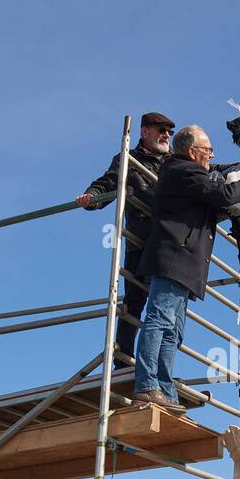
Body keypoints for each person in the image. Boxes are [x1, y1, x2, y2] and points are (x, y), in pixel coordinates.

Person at [132, 125, 240, 409]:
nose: (211, 156)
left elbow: (215, 194)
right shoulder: (183, 170)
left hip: (183, 262)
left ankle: (163, 387)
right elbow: (221, 194)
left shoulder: (186, 173)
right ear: (191, 151)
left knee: (173, 330)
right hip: (174, 257)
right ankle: (147, 384)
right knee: (161, 321)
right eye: (208, 150)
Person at [77, 112, 177, 368]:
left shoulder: (175, 162)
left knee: (167, 308)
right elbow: (108, 183)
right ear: (144, 132)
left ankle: (158, 371)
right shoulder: (129, 160)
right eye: (161, 129)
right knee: (133, 302)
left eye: (169, 131)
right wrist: (91, 197)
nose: (166, 135)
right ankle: (123, 364)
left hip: (169, 245)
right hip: (141, 242)